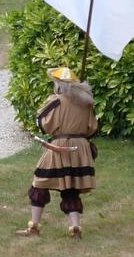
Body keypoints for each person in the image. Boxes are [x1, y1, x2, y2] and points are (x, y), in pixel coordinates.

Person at [16, 66, 98, 239]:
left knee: (39, 184)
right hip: (81, 148)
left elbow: (42, 123)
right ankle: (75, 228)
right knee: (70, 189)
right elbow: (92, 128)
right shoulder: (86, 102)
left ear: (60, 85)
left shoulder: (56, 101)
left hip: (60, 146)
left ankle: (34, 227)